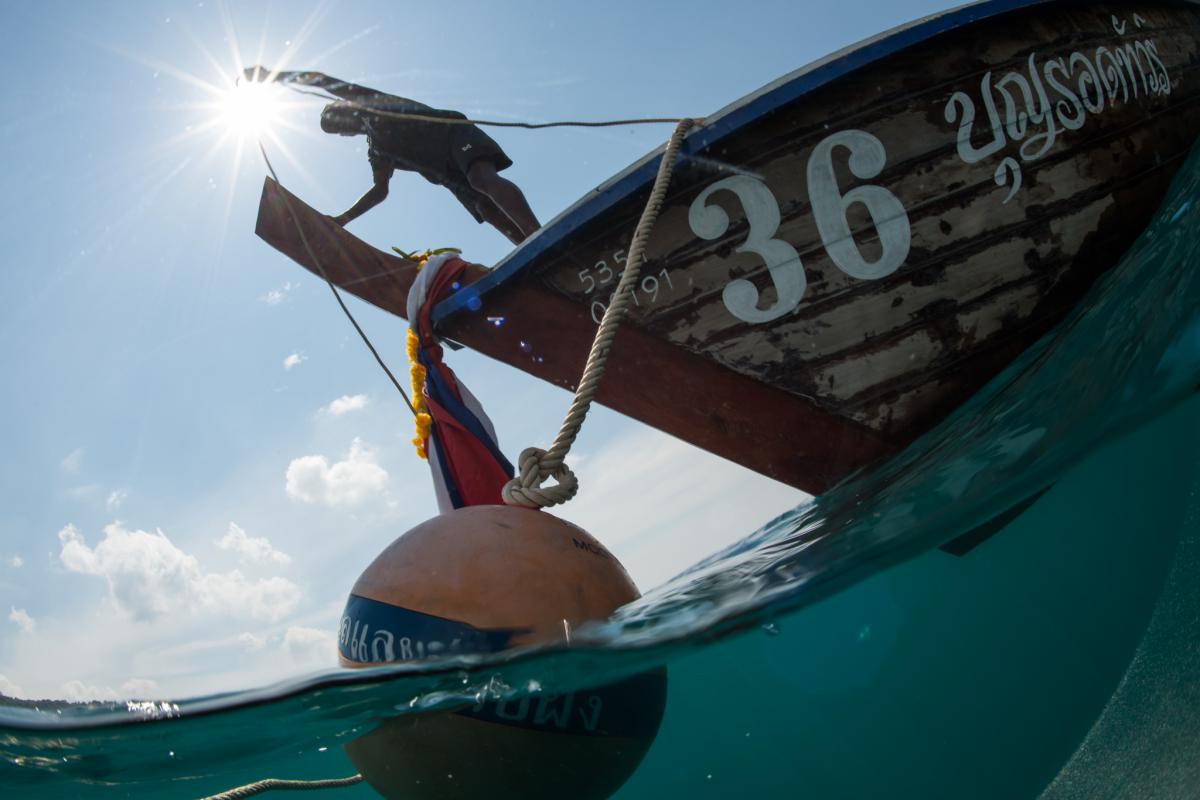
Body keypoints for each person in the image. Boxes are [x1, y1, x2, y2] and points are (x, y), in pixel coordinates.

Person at [243, 67, 540, 245]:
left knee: (480, 179)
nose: (343, 129)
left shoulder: (373, 103)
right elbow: (380, 191)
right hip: (447, 174)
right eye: (337, 130)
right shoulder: (377, 150)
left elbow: (321, 80)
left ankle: (535, 233)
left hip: (453, 134)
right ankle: (528, 248)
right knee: (485, 210)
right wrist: (343, 219)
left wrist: (273, 76)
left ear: (346, 109)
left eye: (338, 120)